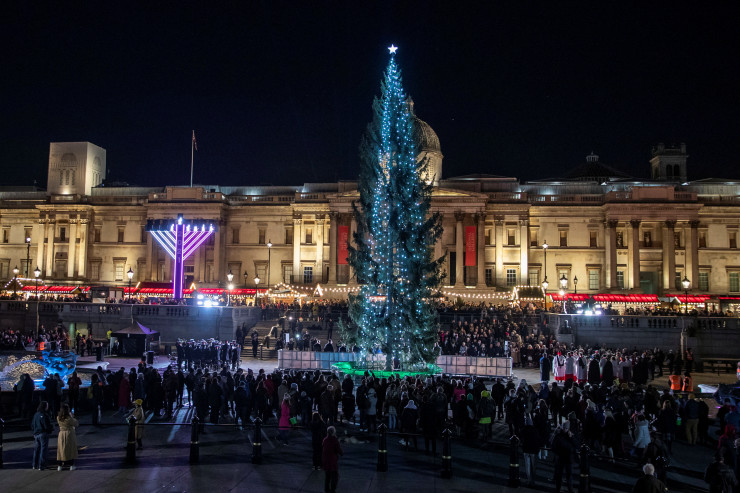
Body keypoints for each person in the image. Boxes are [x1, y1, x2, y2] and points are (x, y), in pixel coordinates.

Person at [552, 421, 577, 493]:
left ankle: (570, 489)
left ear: (568, 428)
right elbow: (553, 446)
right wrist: (558, 453)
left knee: (569, 475)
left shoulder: (571, 435)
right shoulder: (558, 435)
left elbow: (576, 445)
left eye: (566, 428)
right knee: (559, 475)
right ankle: (558, 489)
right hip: (561, 458)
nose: (565, 429)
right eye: (564, 428)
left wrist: (571, 437)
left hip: (568, 458)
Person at [56, 403, 79, 470]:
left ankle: (60, 465)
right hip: (69, 434)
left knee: (61, 449)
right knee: (70, 449)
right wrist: (72, 416)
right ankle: (71, 465)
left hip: (61, 434)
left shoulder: (58, 418)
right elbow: (76, 423)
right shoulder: (69, 419)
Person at [31, 401, 53, 470]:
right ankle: (42, 465)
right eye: (47, 406)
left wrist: (34, 432)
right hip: (43, 434)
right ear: (45, 406)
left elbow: (32, 424)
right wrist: (51, 429)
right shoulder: (44, 415)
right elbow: (46, 425)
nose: (47, 407)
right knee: (43, 450)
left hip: (36, 434)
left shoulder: (36, 414)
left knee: (36, 450)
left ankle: (34, 465)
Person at [322, 426, 343, 493]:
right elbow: (339, 450)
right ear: (333, 432)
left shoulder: (325, 439)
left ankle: (326, 489)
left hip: (326, 460)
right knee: (334, 477)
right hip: (332, 461)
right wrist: (341, 453)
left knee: (327, 476)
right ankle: (332, 490)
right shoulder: (334, 440)